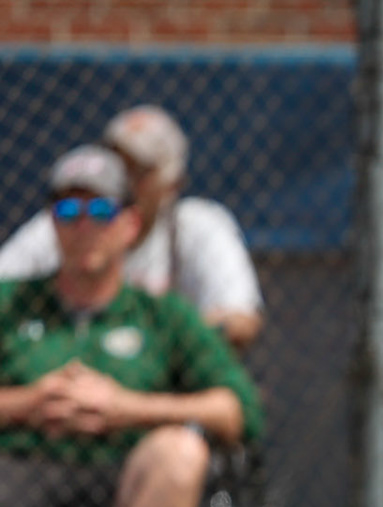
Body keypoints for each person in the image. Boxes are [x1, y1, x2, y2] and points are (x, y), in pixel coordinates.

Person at [0, 146, 264, 507]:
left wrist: (126, 409)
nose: (84, 227)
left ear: (130, 225)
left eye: (101, 210)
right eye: (68, 210)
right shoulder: (10, 304)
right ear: (51, 224)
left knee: (179, 452)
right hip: (17, 472)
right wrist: (28, 402)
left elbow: (235, 409)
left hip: (121, 479)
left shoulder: (163, 314)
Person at [0, 106, 263, 351]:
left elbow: (240, 319)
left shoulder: (198, 226)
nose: (124, 178)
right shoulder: (67, 220)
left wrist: (151, 345)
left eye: (139, 171)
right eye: (116, 162)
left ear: (172, 184)